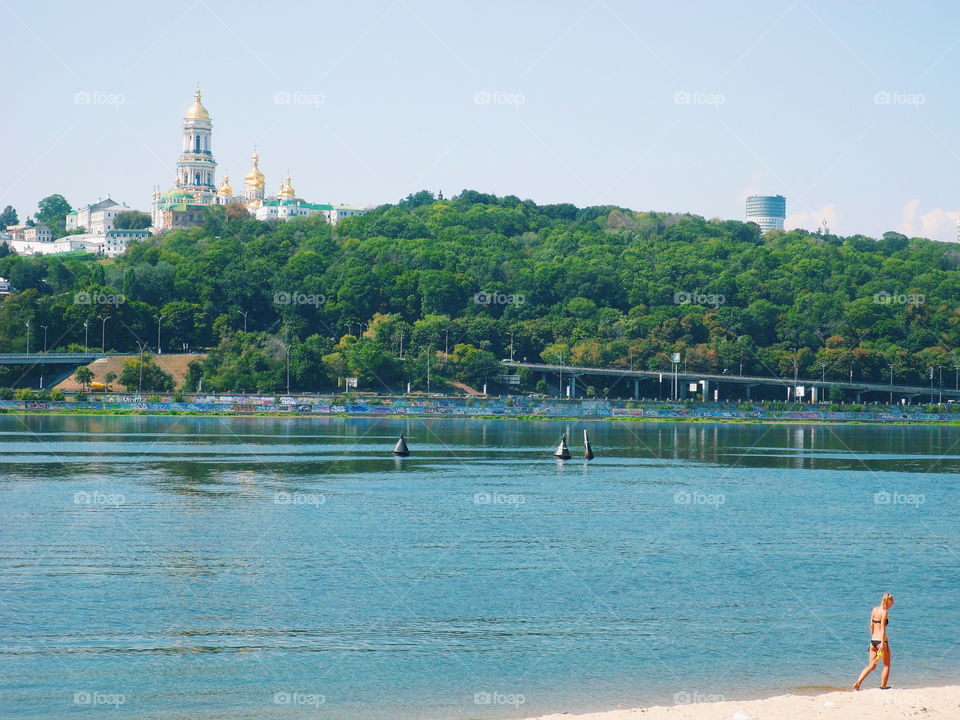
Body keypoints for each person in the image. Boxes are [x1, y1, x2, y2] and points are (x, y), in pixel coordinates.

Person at [852, 592, 894, 690]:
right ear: (888, 602)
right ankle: (883, 686)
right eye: (891, 604)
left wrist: (872, 639)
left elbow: (871, 626)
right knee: (887, 665)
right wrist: (883, 643)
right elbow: (883, 628)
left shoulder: (874, 610)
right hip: (881, 641)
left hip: (873, 641)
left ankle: (857, 683)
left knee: (871, 666)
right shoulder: (884, 612)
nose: (891, 606)